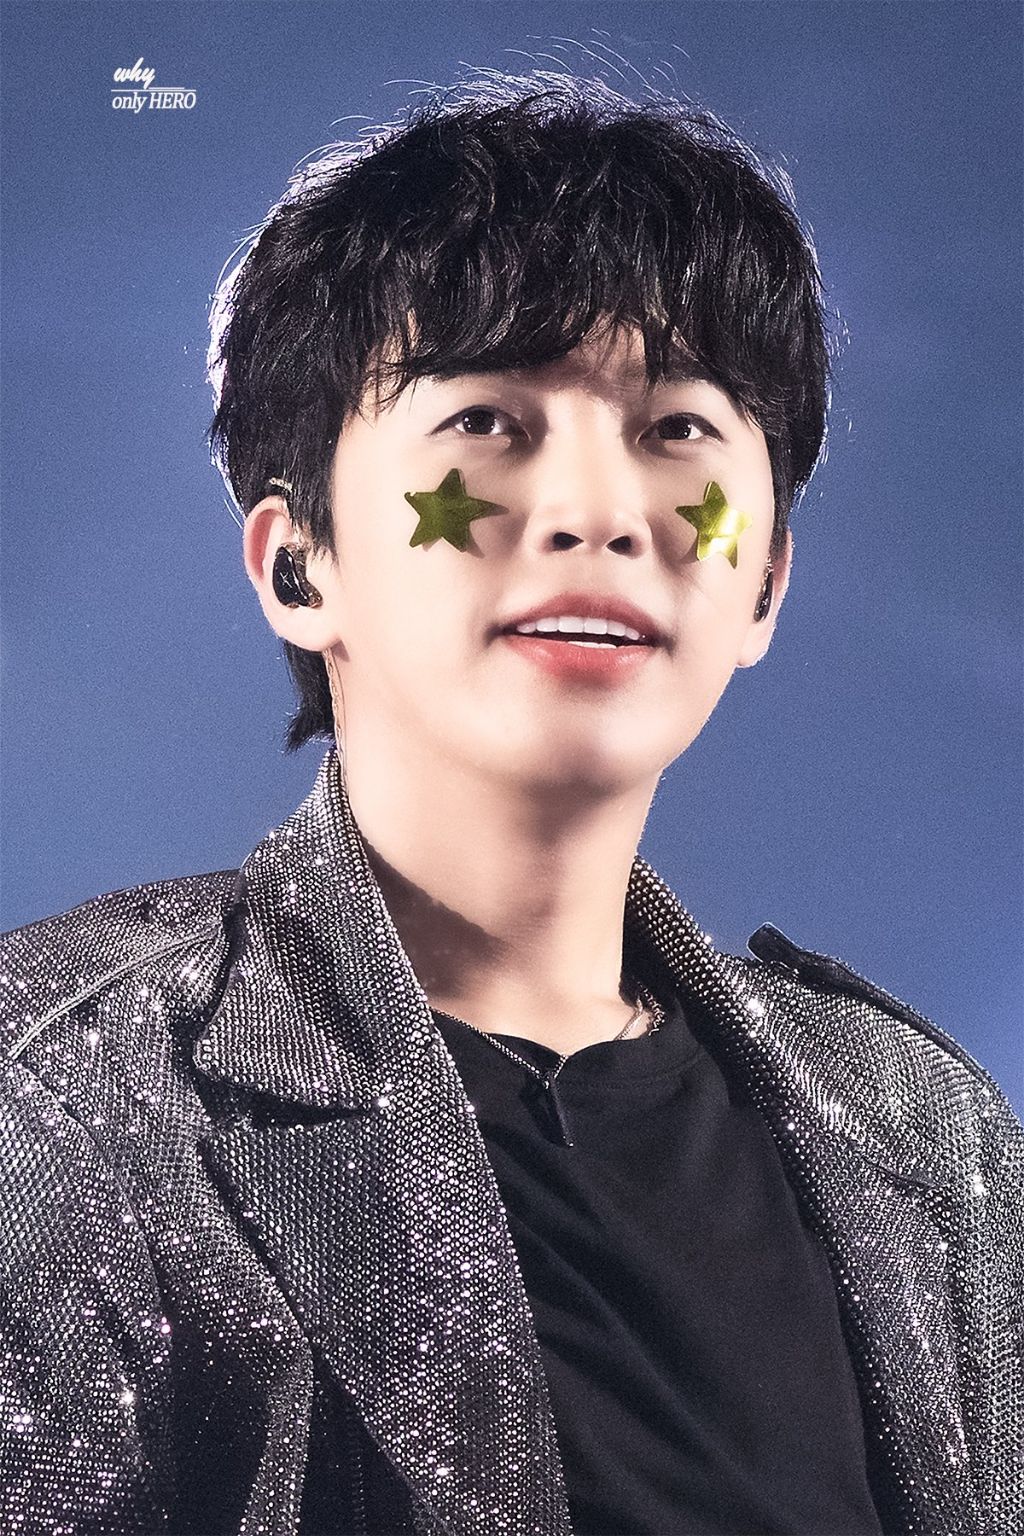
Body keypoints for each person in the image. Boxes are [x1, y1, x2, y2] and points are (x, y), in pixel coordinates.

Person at [1, 71, 1020, 1536]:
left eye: (678, 429)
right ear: (299, 565)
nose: (597, 511)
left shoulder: (930, 1140)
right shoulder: (68, 1105)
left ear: (766, 582)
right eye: (488, 418)